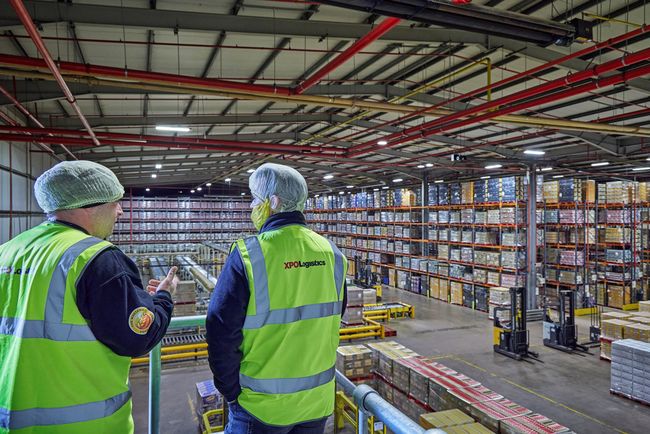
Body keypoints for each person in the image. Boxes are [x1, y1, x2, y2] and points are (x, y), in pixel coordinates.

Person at [0, 160, 177, 433]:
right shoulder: (95, 258)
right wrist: (164, 297)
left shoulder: (9, 250)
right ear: (89, 205)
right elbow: (139, 336)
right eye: (115, 202)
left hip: (12, 420)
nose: (120, 210)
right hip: (82, 423)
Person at [206, 163, 348, 433]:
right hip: (315, 403)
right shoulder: (332, 253)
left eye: (255, 199)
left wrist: (231, 390)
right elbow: (334, 316)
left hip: (260, 407)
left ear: (273, 201)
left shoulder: (249, 255)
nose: (251, 206)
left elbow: (220, 327)